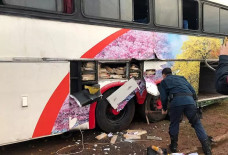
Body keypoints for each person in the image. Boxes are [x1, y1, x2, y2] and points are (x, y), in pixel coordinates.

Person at [159, 68, 211, 155]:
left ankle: (174, 147)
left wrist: (164, 109)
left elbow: (163, 98)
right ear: (171, 73)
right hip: (190, 101)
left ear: (164, 75)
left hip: (176, 102)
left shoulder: (164, 82)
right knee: (197, 123)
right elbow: (193, 91)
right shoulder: (181, 78)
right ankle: (207, 150)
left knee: (174, 123)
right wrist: (193, 103)